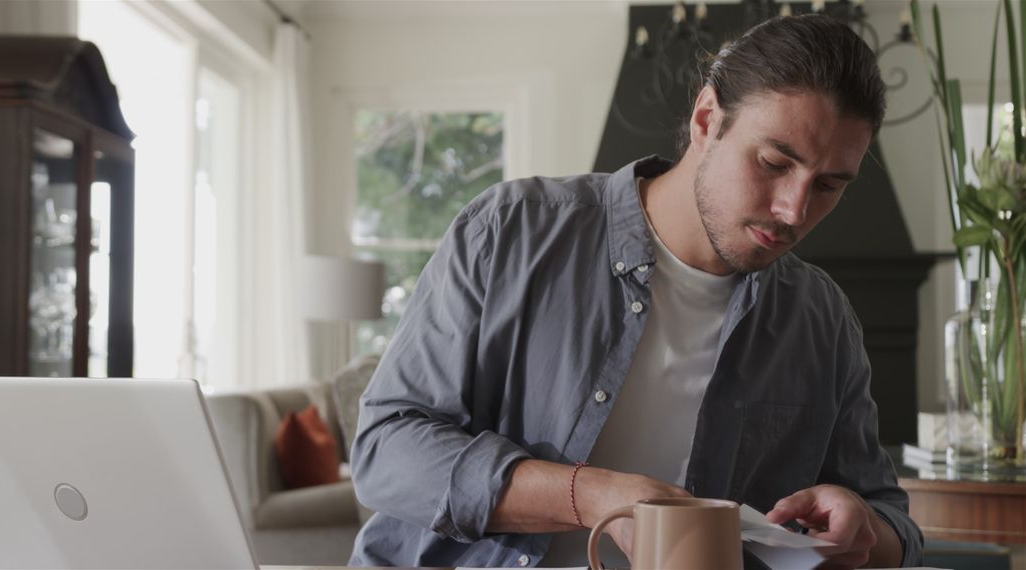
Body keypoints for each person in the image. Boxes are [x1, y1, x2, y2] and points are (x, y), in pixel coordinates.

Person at [349, 13, 923, 569]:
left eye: (828, 185)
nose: (793, 210)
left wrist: (863, 529)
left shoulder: (820, 318)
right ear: (705, 119)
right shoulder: (512, 230)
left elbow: (893, 524)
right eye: (774, 162)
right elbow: (386, 451)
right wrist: (590, 496)